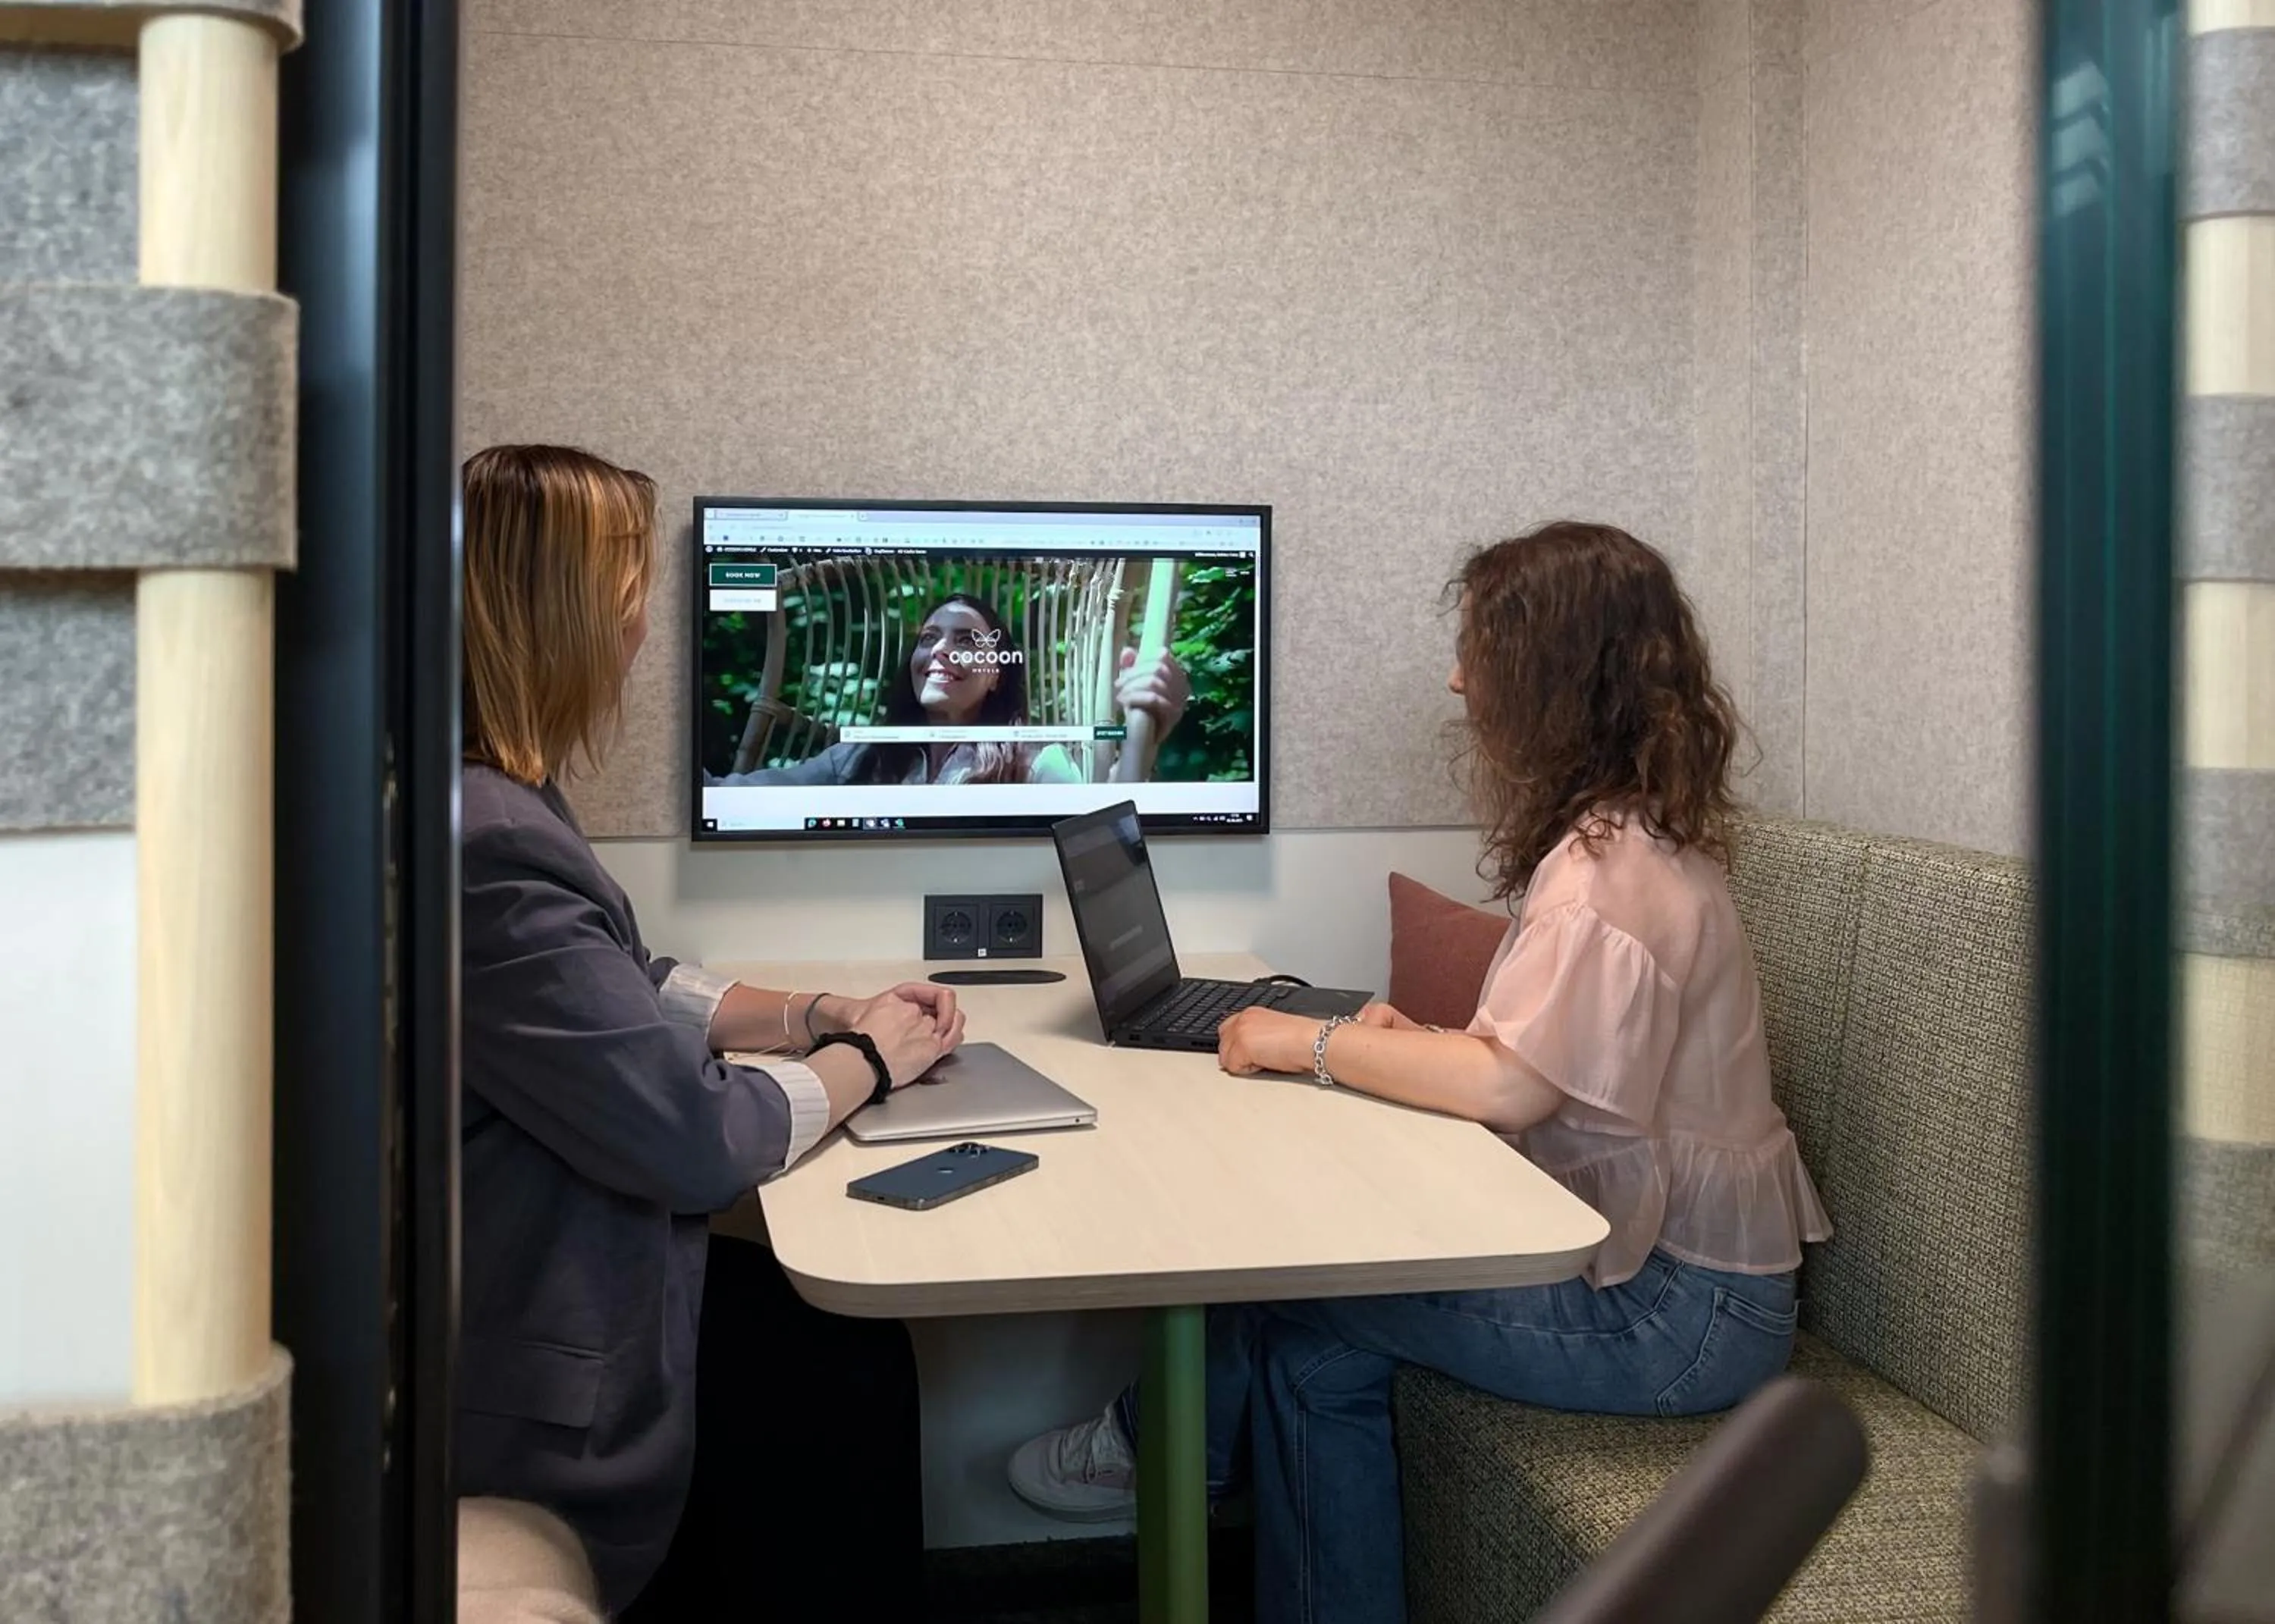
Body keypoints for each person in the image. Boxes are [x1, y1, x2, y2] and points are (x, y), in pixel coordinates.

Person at [1007, 521, 1834, 1624]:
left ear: (1548, 674)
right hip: (1673, 1282)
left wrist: (1302, 1040)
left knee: (1307, 1321)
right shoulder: (1628, 838)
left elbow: (1511, 1091)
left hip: (1678, 1320)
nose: (1455, 677)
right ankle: (1162, 1446)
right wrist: (1415, 1043)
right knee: (1305, 1317)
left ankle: (1155, 1445)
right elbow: (1556, 1063)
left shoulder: (1605, 875)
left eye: (1476, 651)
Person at [454, 444, 968, 1619]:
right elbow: (692, 1137)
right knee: (843, 1365)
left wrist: (812, 1014)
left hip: (557, 1260)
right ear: (567, 614)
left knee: (843, 1350)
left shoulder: (494, 790)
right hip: (542, 1347)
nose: (644, 628)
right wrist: (873, 1058)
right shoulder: (490, 841)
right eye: (630, 593)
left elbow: (629, 974)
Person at [709, 591, 1188, 785]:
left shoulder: (1036, 761)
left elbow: (1102, 833)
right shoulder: (861, 758)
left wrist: (1142, 748)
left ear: (997, 671)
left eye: (965, 641)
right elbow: (748, 795)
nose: (939, 651)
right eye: (929, 639)